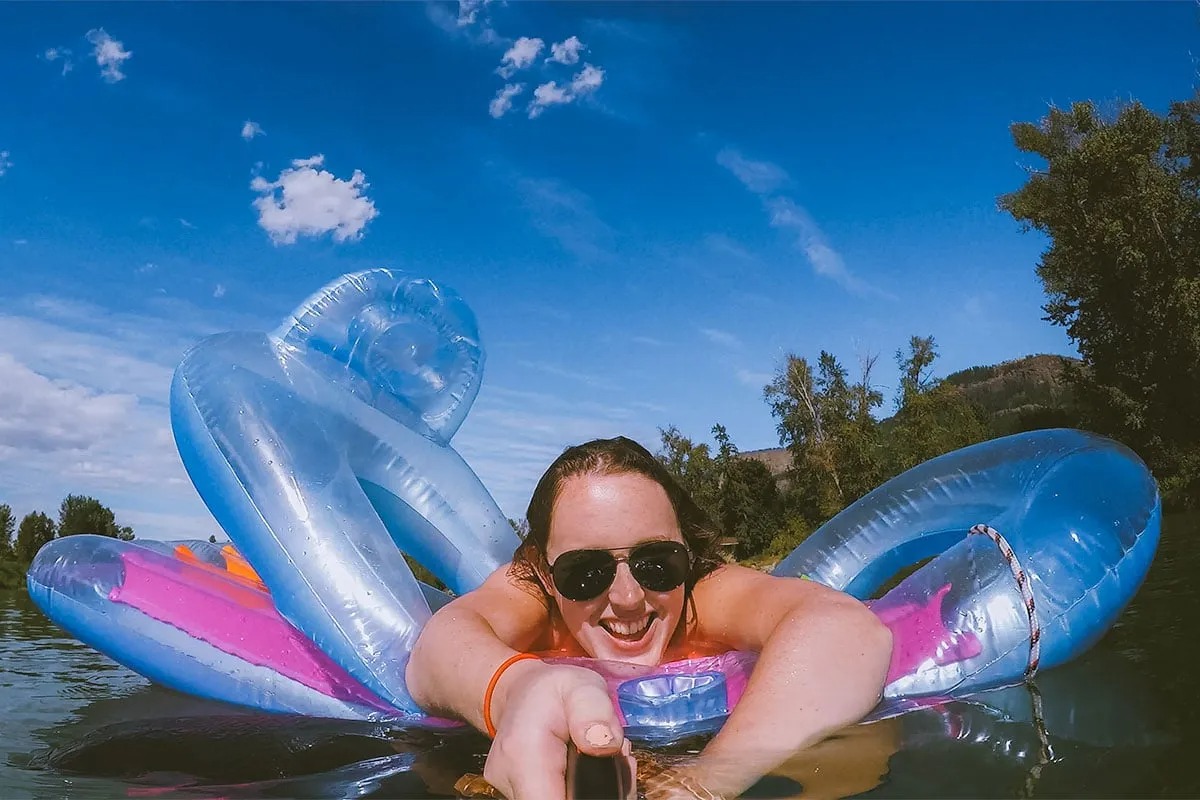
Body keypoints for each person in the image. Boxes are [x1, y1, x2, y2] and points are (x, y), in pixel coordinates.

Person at [405, 436, 892, 799]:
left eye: (657, 561)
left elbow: (844, 627)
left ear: (687, 552)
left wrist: (703, 781)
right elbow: (441, 643)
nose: (629, 596)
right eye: (585, 571)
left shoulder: (703, 596)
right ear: (544, 571)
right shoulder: (534, 599)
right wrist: (521, 689)